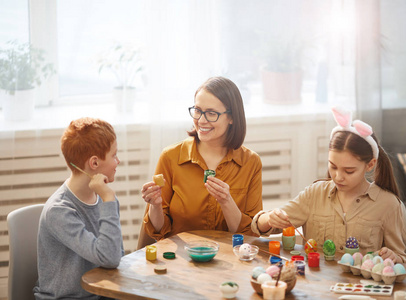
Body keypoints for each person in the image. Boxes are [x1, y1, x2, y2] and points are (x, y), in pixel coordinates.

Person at [251, 107, 406, 263]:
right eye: (333, 166)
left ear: (370, 165)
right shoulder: (315, 194)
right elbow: (260, 226)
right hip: (316, 283)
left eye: (349, 171)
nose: (338, 177)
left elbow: (401, 259)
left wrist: (393, 257)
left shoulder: (388, 204)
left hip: (361, 287)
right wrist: (269, 219)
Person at [138, 76, 262, 247]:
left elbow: (250, 236)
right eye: (197, 110)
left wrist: (227, 202)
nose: (201, 120)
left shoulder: (250, 163)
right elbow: (160, 232)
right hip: (181, 260)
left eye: (211, 113)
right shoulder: (170, 157)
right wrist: (156, 206)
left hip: (231, 261)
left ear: (231, 118)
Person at [34, 117, 124, 300]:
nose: (118, 161)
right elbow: (111, 258)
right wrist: (109, 200)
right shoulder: (59, 211)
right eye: (114, 155)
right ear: (94, 163)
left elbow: (116, 255)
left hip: (100, 293)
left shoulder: (101, 197)